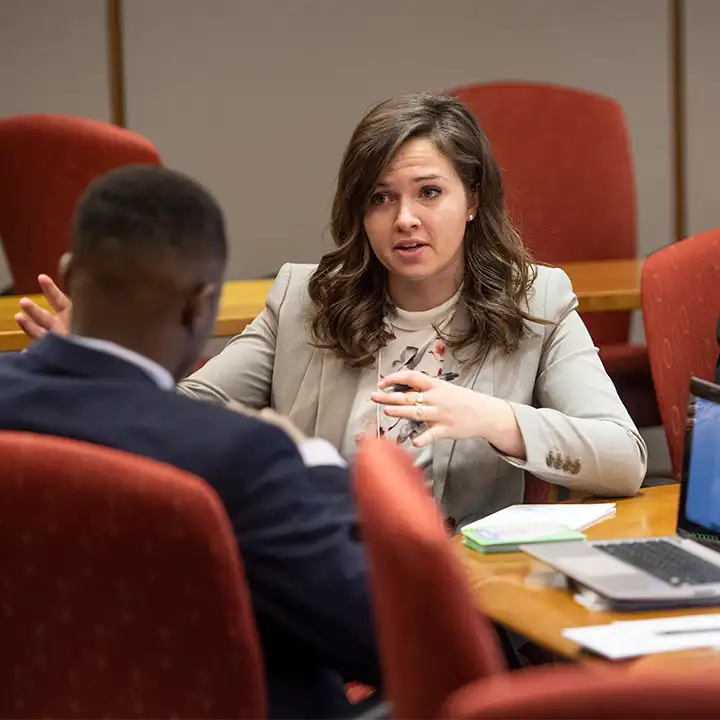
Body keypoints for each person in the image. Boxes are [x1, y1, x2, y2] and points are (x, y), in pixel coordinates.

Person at [16, 93, 647, 528]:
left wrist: (490, 417)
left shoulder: (537, 301)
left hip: (462, 588)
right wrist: (104, 361)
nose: (405, 219)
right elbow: (185, 411)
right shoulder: (307, 298)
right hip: (320, 561)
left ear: (473, 198)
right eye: (380, 198)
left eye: (429, 192)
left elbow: (623, 456)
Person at [2, 166, 381, 720]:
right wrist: (320, 467)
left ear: (68, 272)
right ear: (199, 304)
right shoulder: (241, 459)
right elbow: (379, 639)